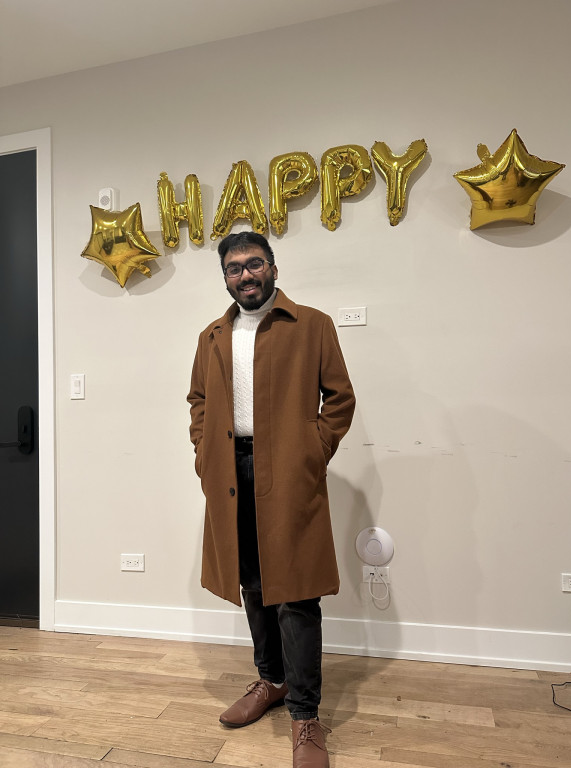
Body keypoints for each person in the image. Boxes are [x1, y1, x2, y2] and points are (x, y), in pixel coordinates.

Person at [187, 231, 355, 768]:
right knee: (254, 584)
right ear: (226, 277)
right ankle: (272, 680)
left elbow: (340, 399)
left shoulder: (312, 325)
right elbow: (198, 401)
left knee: (297, 592)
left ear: (273, 268)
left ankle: (306, 716)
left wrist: (311, 450)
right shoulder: (213, 335)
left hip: (287, 467)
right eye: (234, 268)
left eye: (254, 264)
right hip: (230, 470)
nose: (245, 275)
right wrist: (204, 453)